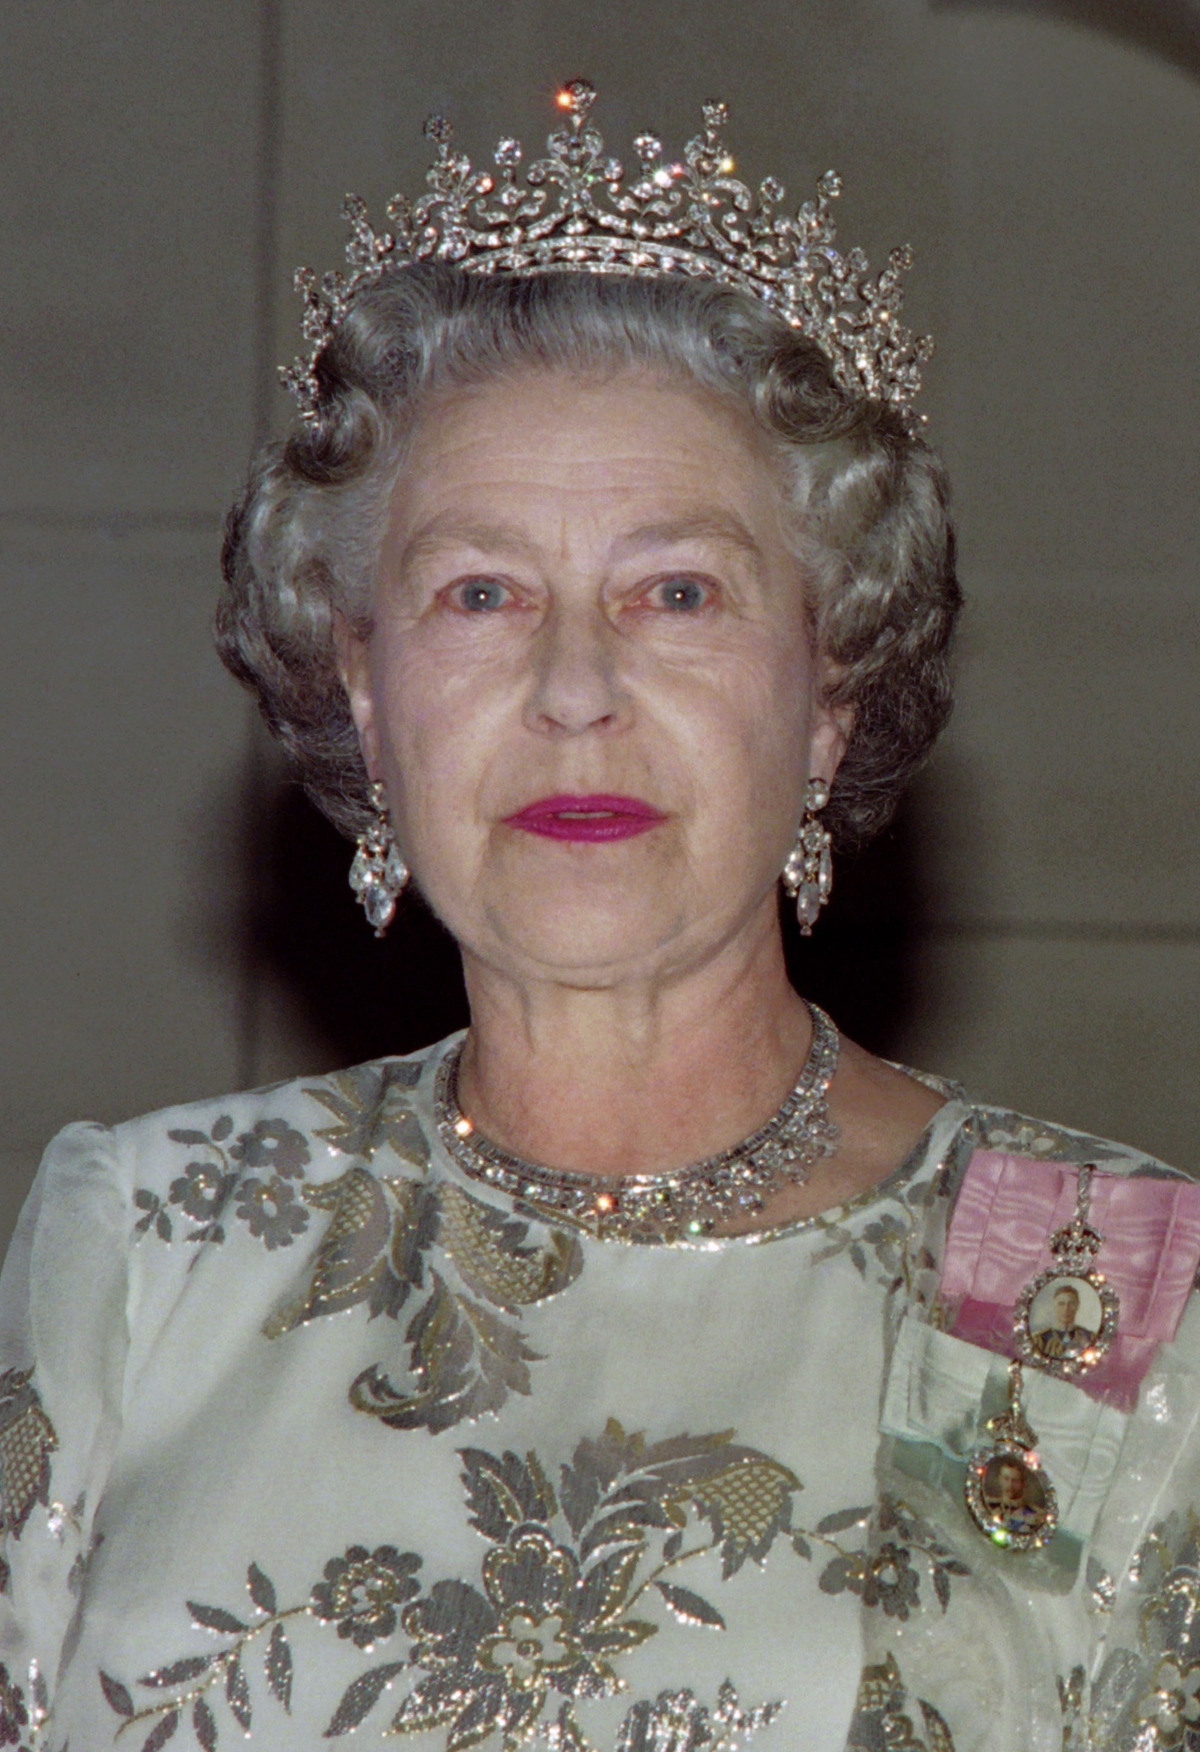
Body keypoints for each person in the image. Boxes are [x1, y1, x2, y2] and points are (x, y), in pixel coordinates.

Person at [3, 81, 1199, 1752]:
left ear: (830, 691)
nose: (576, 688)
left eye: (677, 592)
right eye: (480, 593)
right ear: (366, 689)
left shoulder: (1088, 1276)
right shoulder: (146, 1246)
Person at [1032, 1282, 1097, 1361]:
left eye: (1071, 1304)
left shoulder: (1089, 1337)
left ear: (1077, 1306)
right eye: (1061, 1304)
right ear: (1054, 1306)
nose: (1066, 1309)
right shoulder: (1040, 1339)